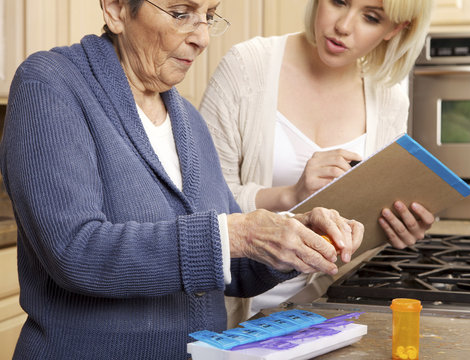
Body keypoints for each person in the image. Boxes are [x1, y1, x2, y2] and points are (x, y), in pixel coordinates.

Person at [0, 0, 364, 359]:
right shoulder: (51, 83)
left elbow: (232, 263)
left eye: (208, 16)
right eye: (181, 13)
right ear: (116, 10)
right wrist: (236, 235)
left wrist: (295, 239)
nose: (202, 37)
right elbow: (74, 252)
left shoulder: (188, 119)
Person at [199, 0, 435, 323]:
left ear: (395, 30)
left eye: (370, 17)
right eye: (339, 1)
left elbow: (359, 235)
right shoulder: (246, 67)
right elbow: (201, 208)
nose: (344, 26)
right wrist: (292, 195)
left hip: (322, 317)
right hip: (234, 313)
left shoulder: (389, 98)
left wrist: (396, 227)